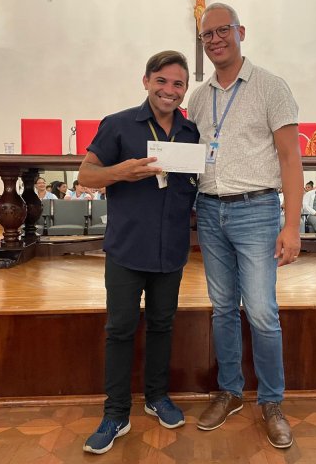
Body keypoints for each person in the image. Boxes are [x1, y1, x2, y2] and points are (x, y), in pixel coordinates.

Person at [187, 3, 303, 449]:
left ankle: (271, 401)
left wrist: (291, 226)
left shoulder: (271, 87)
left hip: (256, 210)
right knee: (222, 308)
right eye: (208, 34)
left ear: (241, 32)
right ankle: (230, 391)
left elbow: (291, 158)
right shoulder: (199, 97)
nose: (215, 39)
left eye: (223, 31)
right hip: (209, 210)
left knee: (261, 311)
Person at [77, 50, 199, 455]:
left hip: (171, 251)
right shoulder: (118, 124)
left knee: (163, 326)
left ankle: (156, 396)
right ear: (146, 81)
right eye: (161, 81)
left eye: (178, 84)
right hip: (127, 249)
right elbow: (86, 174)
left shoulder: (191, 132)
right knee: (120, 330)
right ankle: (115, 413)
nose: (169, 90)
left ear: (185, 89)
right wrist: (121, 172)